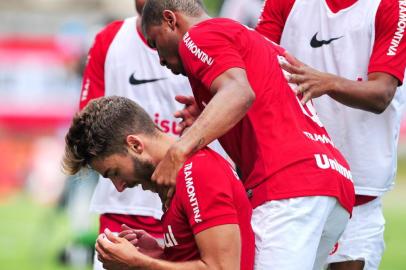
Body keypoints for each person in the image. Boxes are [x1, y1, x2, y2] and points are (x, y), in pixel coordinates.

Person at [141, 1, 355, 269]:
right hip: (330, 179)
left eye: (154, 42)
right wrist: (209, 107)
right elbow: (258, 96)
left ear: (171, 20)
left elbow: (239, 93)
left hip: (290, 184)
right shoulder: (251, 37)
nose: (159, 59)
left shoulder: (199, 34)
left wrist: (178, 150)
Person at [256, 0, 406, 269]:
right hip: (293, 188)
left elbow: (382, 93)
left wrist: (327, 82)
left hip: (360, 193)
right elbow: (250, 65)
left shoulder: (392, 6)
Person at [62, 96, 255, 270]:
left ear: (135, 145)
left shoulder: (198, 172)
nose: (119, 187)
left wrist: (140, 263)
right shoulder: (179, 179)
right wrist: (161, 255)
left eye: (115, 173)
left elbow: (223, 267)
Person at [79, 1, 195, 268]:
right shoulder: (110, 40)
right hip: (124, 210)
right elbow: (88, 127)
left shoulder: (208, 36)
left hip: (190, 203)